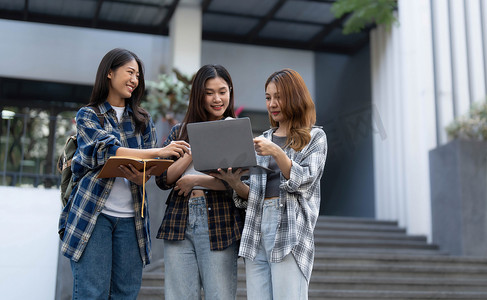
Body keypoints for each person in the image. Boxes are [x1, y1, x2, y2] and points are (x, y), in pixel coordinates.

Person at [58, 48, 190, 299]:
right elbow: (107, 151)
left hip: (133, 221)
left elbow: (148, 171)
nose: (134, 80)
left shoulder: (142, 120)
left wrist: (143, 174)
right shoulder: (89, 114)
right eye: (130, 72)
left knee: (125, 294)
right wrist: (159, 152)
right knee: (91, 293)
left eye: (138, 76)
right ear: (109, 73)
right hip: (93, 217)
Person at [213, 68, 328, 299]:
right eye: (268, 97)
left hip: (290, 229)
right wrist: (234, 182)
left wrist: (277, 152)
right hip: (257, 226)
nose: (272, 103)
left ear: (295, 97)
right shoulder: (263, 139)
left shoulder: (314, 137)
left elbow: (304, 181)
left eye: (279, 97)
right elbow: (253, 194)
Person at [155, 64, 244, 300]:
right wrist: (193, 152)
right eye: (209, 92)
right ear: (198, 95)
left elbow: (236, 184)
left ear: (230, 92)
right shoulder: (179, 132)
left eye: (222, 91)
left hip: (220, 220)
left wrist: (194, 179)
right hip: (179, 220)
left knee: (220, 295)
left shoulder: (235, 131)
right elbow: (163, 179)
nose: (217, 99)